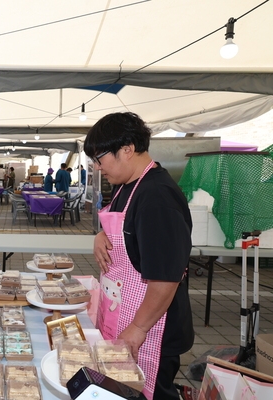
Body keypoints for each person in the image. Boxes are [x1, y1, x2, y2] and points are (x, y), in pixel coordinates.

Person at [86, 112, 193, 400]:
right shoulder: (126, 186)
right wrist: (100, 236)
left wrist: (137, 329)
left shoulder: (157, 196)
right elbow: (126, 231)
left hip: (151, 328)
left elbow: (166, 278)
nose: (98, 168)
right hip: (124, 314)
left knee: (149, 394)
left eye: (100, 159)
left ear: (127, 149)